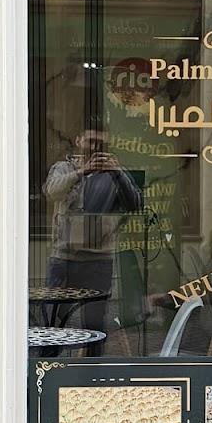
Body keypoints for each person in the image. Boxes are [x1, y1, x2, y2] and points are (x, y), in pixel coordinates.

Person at [43, 126, 142, 333]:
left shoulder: (114, 173)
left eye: (101, 143)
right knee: (54, 321)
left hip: (99, 259)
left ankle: (92, 363)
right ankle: (50, 363)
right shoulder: (64, 167)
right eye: (91, 141)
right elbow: (52, 191)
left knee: (95, 323)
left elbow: (135, 205)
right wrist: (82, 172)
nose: (96, 146)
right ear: (78, 141)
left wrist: (118, 173)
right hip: (65, 258)